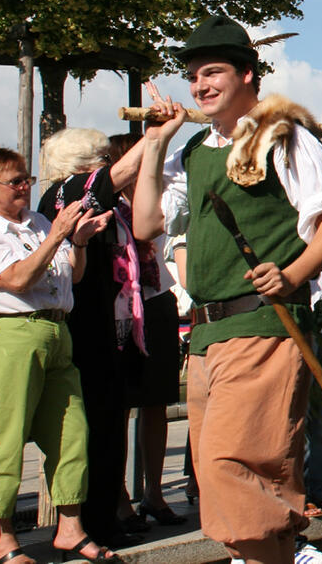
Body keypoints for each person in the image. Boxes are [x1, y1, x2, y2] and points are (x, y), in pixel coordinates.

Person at [132, 14, 322, 564]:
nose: (199, 86)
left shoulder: (283, 136)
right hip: (208, 337)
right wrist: (157, 143)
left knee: (233, 467)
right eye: (192, 76)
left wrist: (292, 274)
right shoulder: (197, 152)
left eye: (212, 72)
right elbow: (143, 225)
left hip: (263, 324)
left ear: (247, 75)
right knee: (240, 481)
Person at [0, 146, 116, 564]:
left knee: (72, 430)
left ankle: (71, 528)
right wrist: (60, 234)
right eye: (15, 181)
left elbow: (72, 275)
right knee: (7, 436)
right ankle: (4, 540)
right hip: (13, 332)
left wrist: (76, 241)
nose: (25, 188)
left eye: (27, 179)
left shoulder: (38, 222)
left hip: (58, 328)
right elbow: (19, 279)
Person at [38, 128, 151, 549]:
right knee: (91, 427)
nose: (108, 162)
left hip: (113, 323)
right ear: (84, 163)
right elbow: (114, 178)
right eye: (101, 156)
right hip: (84, 321)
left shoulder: (101, 199)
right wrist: (158, 134)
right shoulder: (65, 193)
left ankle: (106, 514)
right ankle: (89, 521)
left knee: (109, 421)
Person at [103, 133, 188, 532]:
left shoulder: (157, 195)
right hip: (121, 305)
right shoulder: (106, 203)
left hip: (157, 300)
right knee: (120, 405)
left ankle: (154, 492)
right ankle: (119, 495)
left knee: (157, 402)